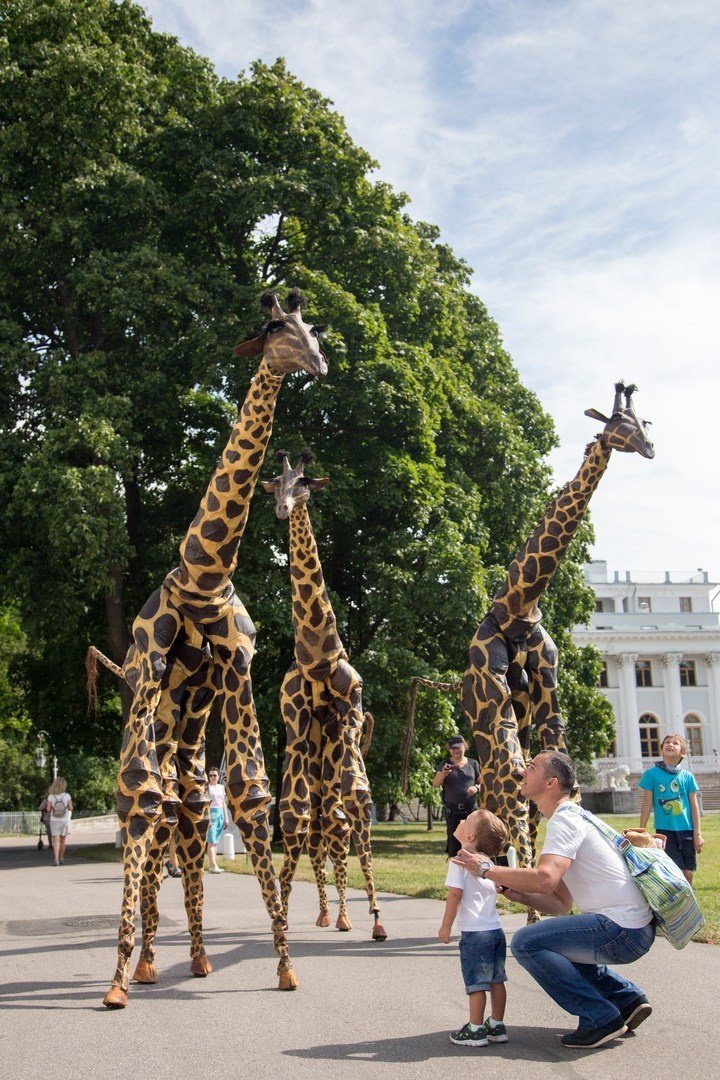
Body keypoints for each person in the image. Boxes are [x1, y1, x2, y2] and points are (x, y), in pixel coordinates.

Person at [453, 751, 655, 1050]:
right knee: (553, 941)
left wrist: (486, 867)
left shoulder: (564, 820)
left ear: (551, 782)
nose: (522, 771)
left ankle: (599, 1017)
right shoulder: (571, 817)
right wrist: (514, 892)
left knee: (526, 942)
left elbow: (544, 878)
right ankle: (625, 999)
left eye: (531, 767)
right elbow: (560, 903)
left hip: (622, 930)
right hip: (632, 928)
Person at [438, 809, 510, 1047]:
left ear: (470, 838)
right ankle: (496, 1025)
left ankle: (475, 1029)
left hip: (475, 934)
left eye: (467, 820)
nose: (461, 820)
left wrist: (445, 926)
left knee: (476, 983)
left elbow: (455, 895)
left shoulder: (459, 861)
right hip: (495, 931)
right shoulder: (487, 863)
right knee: (497, 979)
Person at [639, 732, 704, 884]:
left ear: (683, 752)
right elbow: (647, 803)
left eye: (675, 743)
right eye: (667, 742)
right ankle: (677, 903)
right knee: (676, 869)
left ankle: (688, 900)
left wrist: (697, 834)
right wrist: (641, 829)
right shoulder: (651, 774)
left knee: (689, 872)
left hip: (687, 830)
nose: (670, 744)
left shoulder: (687, 777)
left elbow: (694, 807)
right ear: (661, 749)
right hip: (665, 831)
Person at [432, 735, 480, 856]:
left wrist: (476, 787)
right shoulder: (444, 764)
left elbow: (483, 783)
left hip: (470, 812)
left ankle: (473, 873)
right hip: (452, 812)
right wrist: (443, 773)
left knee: (473, 846)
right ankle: (456, 873)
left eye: (458, 747)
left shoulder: (473, 764)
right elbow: (435, 784)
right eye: (452, 748)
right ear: (449, 750)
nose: (456, 751)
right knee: (454, 848)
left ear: (465, 746)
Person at [206, 767, 230, 873]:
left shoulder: (221, 787)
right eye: (210, 775)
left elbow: (223, 802)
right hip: (212, 813)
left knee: (215, 841)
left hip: (220, 813)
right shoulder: (207, 788)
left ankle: (213, 864)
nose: (212, 777)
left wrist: (226, 817)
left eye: (214, 775)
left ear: (218, 776)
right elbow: (206, 804)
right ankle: (213, 864)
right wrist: (208, 818)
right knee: (211, 841)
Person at [46, 777, 73, 866]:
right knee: (63, 841)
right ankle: (62, 858)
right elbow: (70, 808)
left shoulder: (51, 796)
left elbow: (48, 809)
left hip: (54, 820)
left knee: (55, 841)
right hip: (64, 820)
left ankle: (56, 860)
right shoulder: (67, 795)